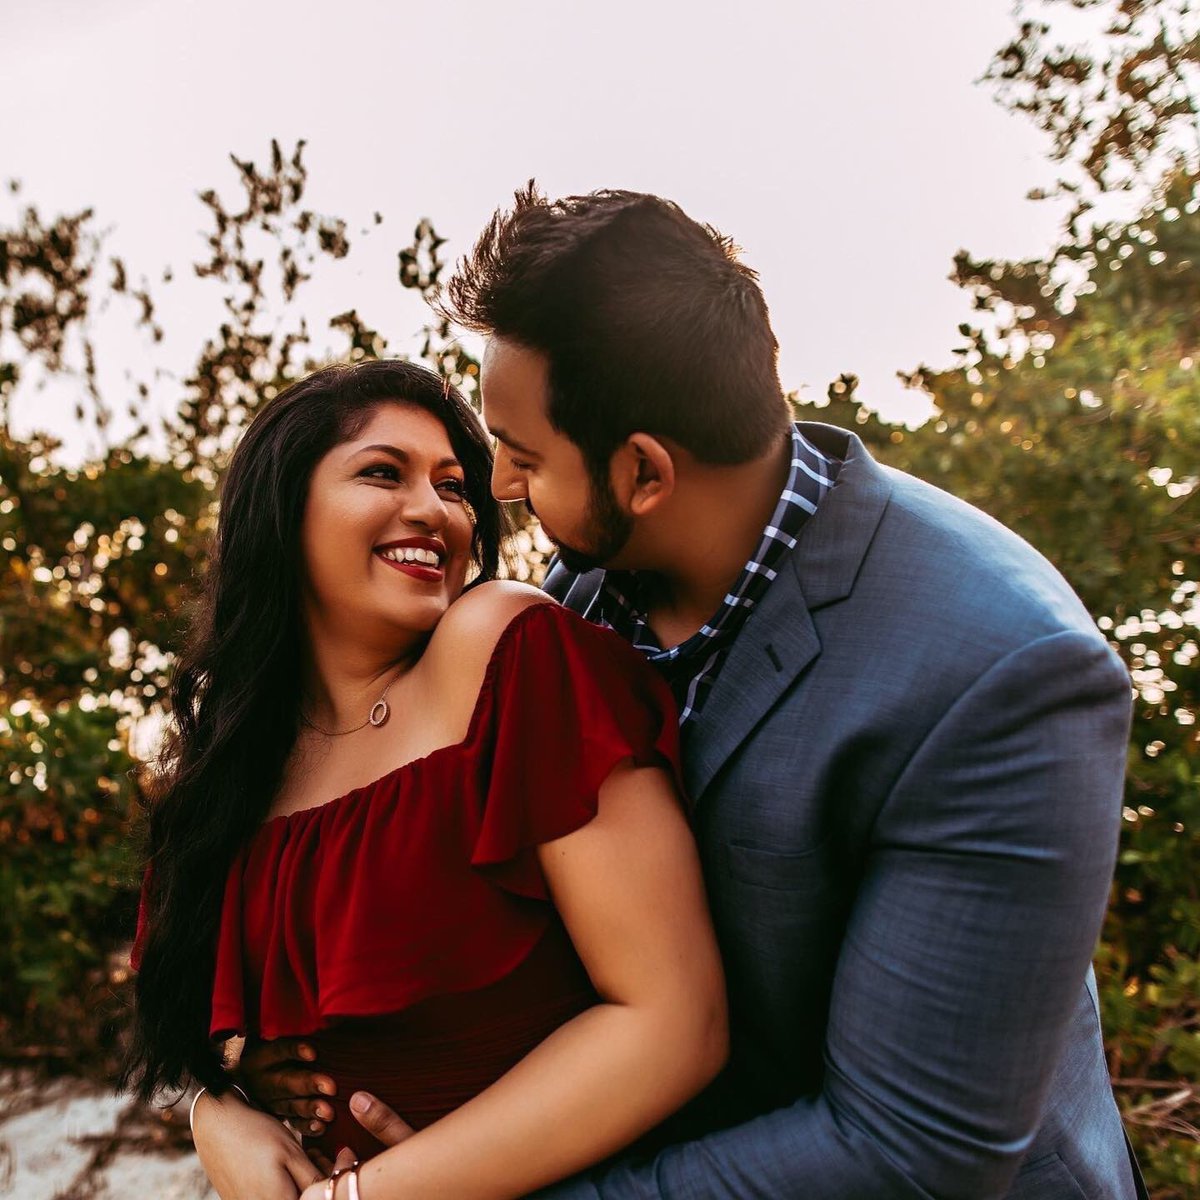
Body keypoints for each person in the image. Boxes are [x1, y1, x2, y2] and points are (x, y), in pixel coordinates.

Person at [229, 186, 1146, 1199]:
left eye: (524, 457)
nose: (499, 490)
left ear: (644, 474)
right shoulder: (581, 586)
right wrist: (230, 1086)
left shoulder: (1002, 675)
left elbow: (908, 1153)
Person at [121, 358, 728, 1200]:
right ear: (280, 508)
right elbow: (211, 1030)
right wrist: (215, 1111)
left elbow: (674, 1023)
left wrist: (362, 1197)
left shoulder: (506, 648)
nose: (435, 510)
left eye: (454, 487)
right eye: (381, 472)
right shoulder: (229, 768)